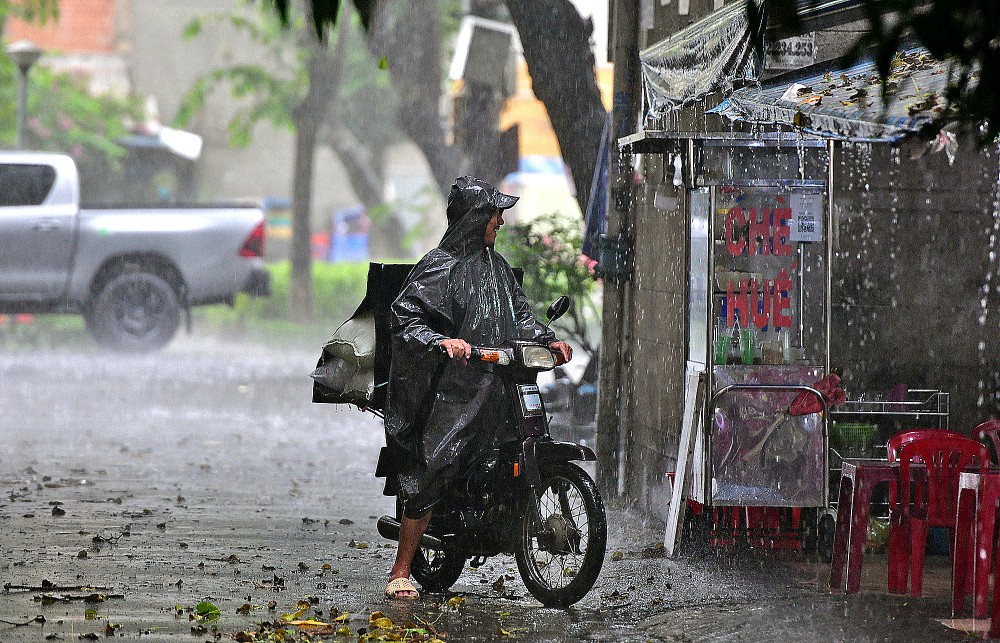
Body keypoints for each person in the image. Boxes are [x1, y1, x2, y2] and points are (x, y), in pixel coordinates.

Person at [381, 176, 572, 600]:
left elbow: (521, 316)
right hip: (453, 391)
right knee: (437, 464)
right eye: (494, 214)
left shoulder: (498, 269)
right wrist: (443, 341)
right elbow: (406, 318)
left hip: (501, 383)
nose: (501, 221)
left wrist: (546, 338)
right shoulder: (438, 267)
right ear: (474, 219)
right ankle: (401, 568)